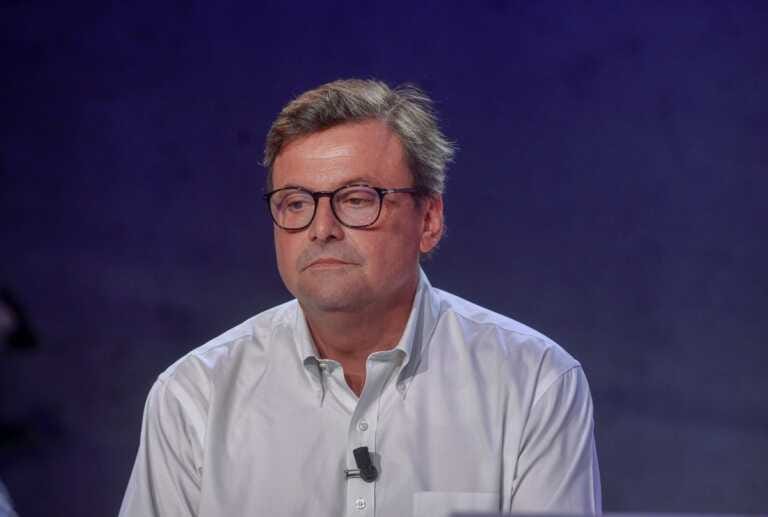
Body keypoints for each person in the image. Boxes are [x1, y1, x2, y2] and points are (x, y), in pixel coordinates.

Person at [119, 79, 601, 517]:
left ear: (428, 220)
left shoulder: (533, 383)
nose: (321, 229)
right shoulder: (195, 396)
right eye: (296, 203)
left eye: (356, 199)